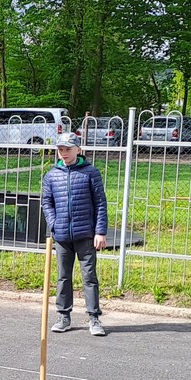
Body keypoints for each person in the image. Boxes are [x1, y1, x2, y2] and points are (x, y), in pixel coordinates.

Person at [41, 131, 108, 336]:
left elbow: (100, 203)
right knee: (63, 277)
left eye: (68, 149)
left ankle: (94, 318)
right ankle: (64, 316)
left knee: (89, 277)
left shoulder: (90, 173)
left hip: (86, 235)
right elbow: (47, 203)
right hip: (62, 236)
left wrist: (100, 231)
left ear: (78, 150)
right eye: (61, 150)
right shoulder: (52, 175)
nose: (64, 153)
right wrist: (54, 224)